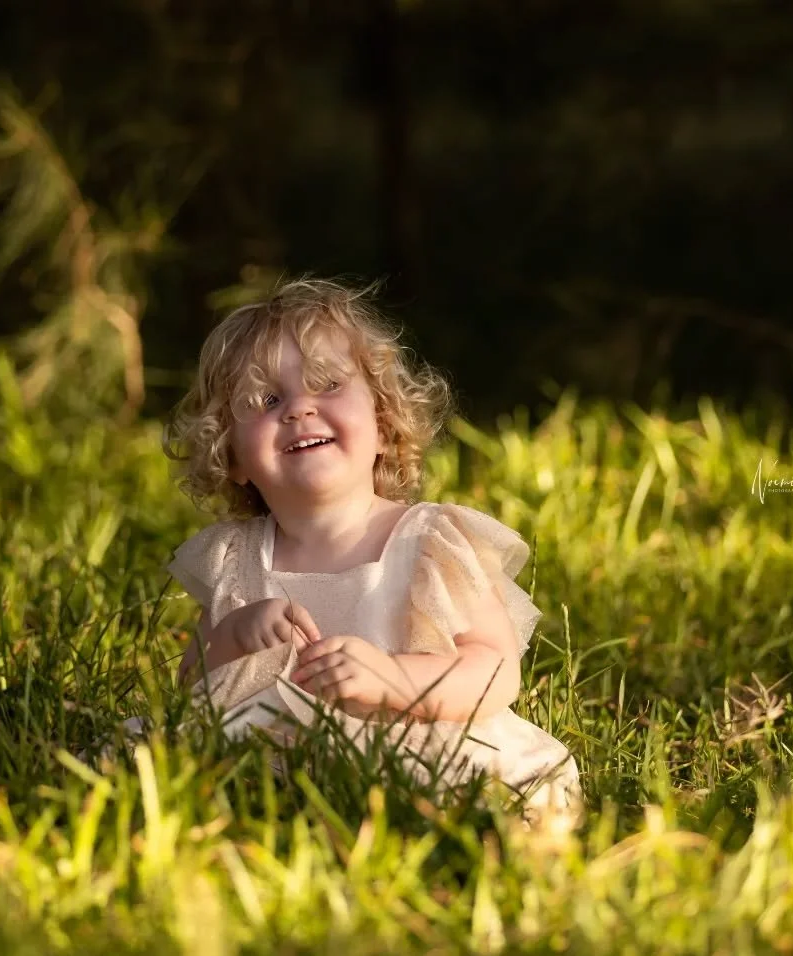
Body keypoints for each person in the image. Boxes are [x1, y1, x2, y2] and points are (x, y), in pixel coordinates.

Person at [159, 277, 580, 824]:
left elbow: (496, 670)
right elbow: (190, 692)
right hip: (276, 755)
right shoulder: (236, 560)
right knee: (170, 758)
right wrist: (233, 636)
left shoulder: (431, 544)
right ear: (232, 456)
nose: (298, 411)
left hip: (418, 743)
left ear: (383, 424)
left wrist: (393, 678)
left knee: (490, 793)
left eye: (327, 384)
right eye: (266, 400)